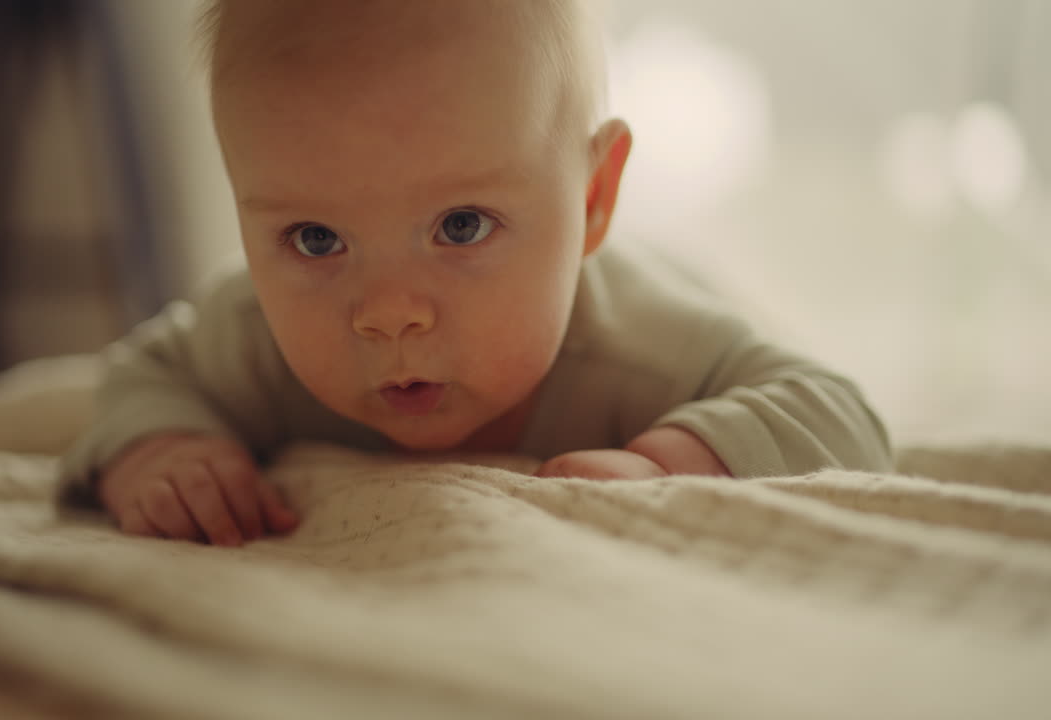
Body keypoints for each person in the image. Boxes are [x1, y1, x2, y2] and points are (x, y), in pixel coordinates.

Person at [60, 0, 892, 545]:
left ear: (595, 198)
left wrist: (673, 463)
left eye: (461, 227)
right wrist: (163, 449)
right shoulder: (251, 337)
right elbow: (144, 371)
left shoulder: (644, 344)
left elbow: (840, 414)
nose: (387, 316)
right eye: (315, 239)